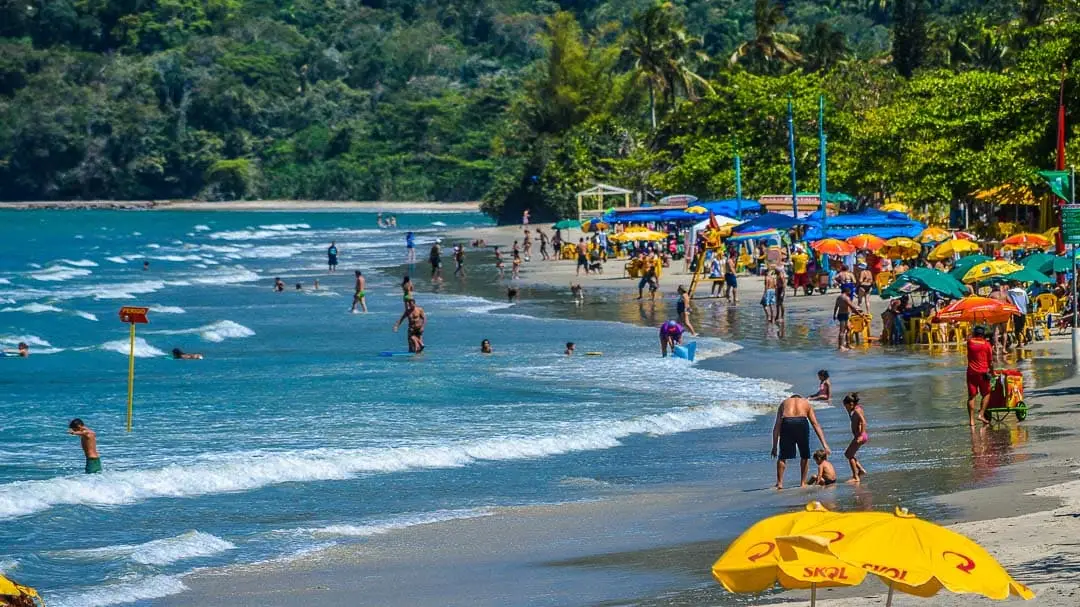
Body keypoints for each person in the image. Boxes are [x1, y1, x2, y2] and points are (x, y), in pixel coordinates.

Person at [770, 395, 830, 490]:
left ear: (791, 398)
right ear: (799, 398)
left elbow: (777, 425)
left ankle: (780, 483)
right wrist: (825, 444)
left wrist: (774, 446)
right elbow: (815, 424)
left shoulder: (784, 403)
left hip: (787, 422)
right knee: (804, 455)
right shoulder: (806, 403)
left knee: (782, 456)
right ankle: (802, 483)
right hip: (801, 423)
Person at [966, 325, 995, 426]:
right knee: (986, 393)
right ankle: (981, 414)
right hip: (983, 373)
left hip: (971, 373)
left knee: (971, 396)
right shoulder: (987, 345)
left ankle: (971, 421)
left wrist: (971, 331)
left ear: (974, 334)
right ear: (983, 335)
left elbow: (968, 337)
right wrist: (993, 372)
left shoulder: (969, 343)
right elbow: (990, 363)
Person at [843, 392, 869, 483]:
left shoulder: (857, 410)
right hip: (860, 436)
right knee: (849, 454)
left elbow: (863, 422)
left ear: (851, 404)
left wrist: (861, 435)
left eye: (845, 406)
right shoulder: (856, 409)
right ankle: (861, 470)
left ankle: (855, 477)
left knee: (848, 455)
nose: (845, 408)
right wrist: (849, 411)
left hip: (860, 436)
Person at [833, 286, 861, 351]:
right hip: (843, 315)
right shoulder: (846, 298)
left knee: (848, 329)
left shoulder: (839, 297)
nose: (851, 292)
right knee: (842, 331)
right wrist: (859, 313)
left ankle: (848, 344)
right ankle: (840, 346)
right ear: (847, 291)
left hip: (842, 314)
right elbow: (852, 307)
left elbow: (836, 306)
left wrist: (834, 315)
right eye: (850, 291)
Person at [1007, 280, 1029, 349]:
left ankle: (1020, 342)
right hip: (1023, 311)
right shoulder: (1024, 292)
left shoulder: (1010, 292)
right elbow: (1027, 302)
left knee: (1017, 329)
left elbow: (1008, 301)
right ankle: (1025, 339)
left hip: (1016, 311)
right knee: (1021, 327)